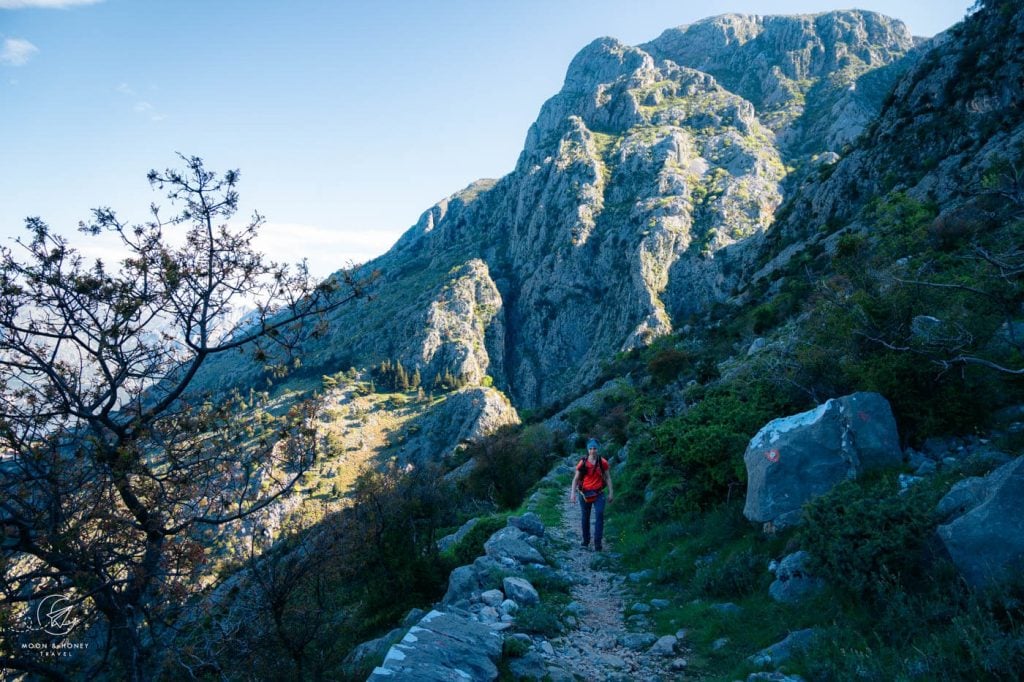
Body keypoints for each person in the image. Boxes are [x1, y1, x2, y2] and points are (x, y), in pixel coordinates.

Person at [569, 437, 614, 551]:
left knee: (599, 515)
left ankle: (598, 543)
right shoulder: (582, 463)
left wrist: (610, 493)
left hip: (599, 494)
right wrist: (573, 494)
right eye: (590, 448)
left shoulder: (602, 462)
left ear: (597, 449)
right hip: (584, 494)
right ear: (587, 450)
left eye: (594, 448)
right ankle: (585, 541)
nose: (593, 450)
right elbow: (575, 479)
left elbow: (608, 478)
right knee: (585, 517)